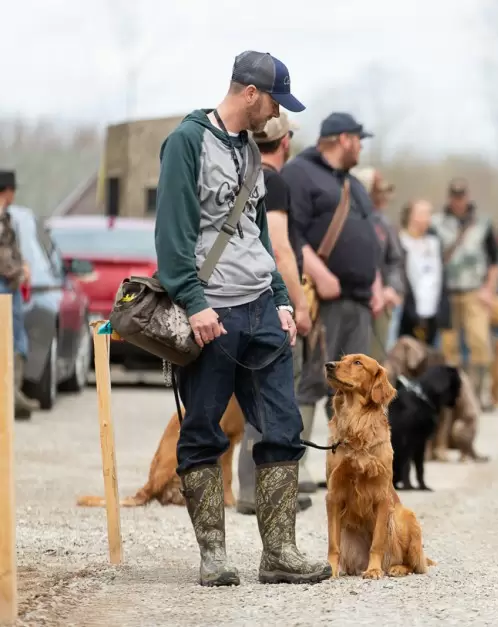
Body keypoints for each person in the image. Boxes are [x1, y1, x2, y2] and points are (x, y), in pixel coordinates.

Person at [154, 50, 331, 587]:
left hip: (261, 309)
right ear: (250, 93)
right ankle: (213, 557)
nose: (278, 112)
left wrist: (281, 297)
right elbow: (172, 235)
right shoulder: (187, 142)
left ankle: (279, 554)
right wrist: (194, 302)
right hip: (213, 313)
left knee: (282, 428)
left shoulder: (251, 151)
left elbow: (255, 235)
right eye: (275, 101)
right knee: (203, 432)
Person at [235, 111, 316, 514]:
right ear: (285, 143)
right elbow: (280, 249)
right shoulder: (276, 182)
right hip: (271, 301)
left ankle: (249, 488)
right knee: (277, 395)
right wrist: (299, 304)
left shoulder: (242, 174)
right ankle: (267, 491)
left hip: (241, 298)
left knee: (253, 396)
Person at [281, 112, 382, 423]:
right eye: (358, 140)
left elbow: (368, 235)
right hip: (322, 300)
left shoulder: (354, 184)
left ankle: (347, 454)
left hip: (359, 301)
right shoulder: (299, 173)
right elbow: (290, 233)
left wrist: (376, 284)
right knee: (310, 382)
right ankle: (298, 454)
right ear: (344, 140)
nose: (361, 147)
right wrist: (320, 273)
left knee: (355, 386)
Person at [432, 177, 498, 401]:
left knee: (479, 341)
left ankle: (479, 393)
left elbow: (494, 260)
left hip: (474, 290)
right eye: (454, 196)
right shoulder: (437, 223)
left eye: (461, 196)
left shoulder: (483, 223)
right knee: (448, 344)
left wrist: (489, 289)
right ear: (449, 197)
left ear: (467, 197)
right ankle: (452, 394)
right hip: (447, 292)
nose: (458, 201)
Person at [351, 166, 404, 356]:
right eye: (378, 192)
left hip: (382, 303)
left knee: (377, 358)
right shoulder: (346, 219)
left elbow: (395, 260)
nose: (384, 197)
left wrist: (392, 288)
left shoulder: (384, 223)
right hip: (352, 300)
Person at [0, 170, 38, 420]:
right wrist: (18, 271)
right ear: (7, 190)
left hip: (9, 282)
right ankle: (10, 396)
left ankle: (12, 393)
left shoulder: (7, 216)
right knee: (12, 338)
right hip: (4, 283)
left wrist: (23, 266)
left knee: (16, 338)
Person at [397, 198, 449, 345]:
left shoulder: (434, 243)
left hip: (432, 311)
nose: (429, 218)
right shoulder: (400, 241)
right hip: (407, 311)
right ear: (412, 216)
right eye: (424, 213)